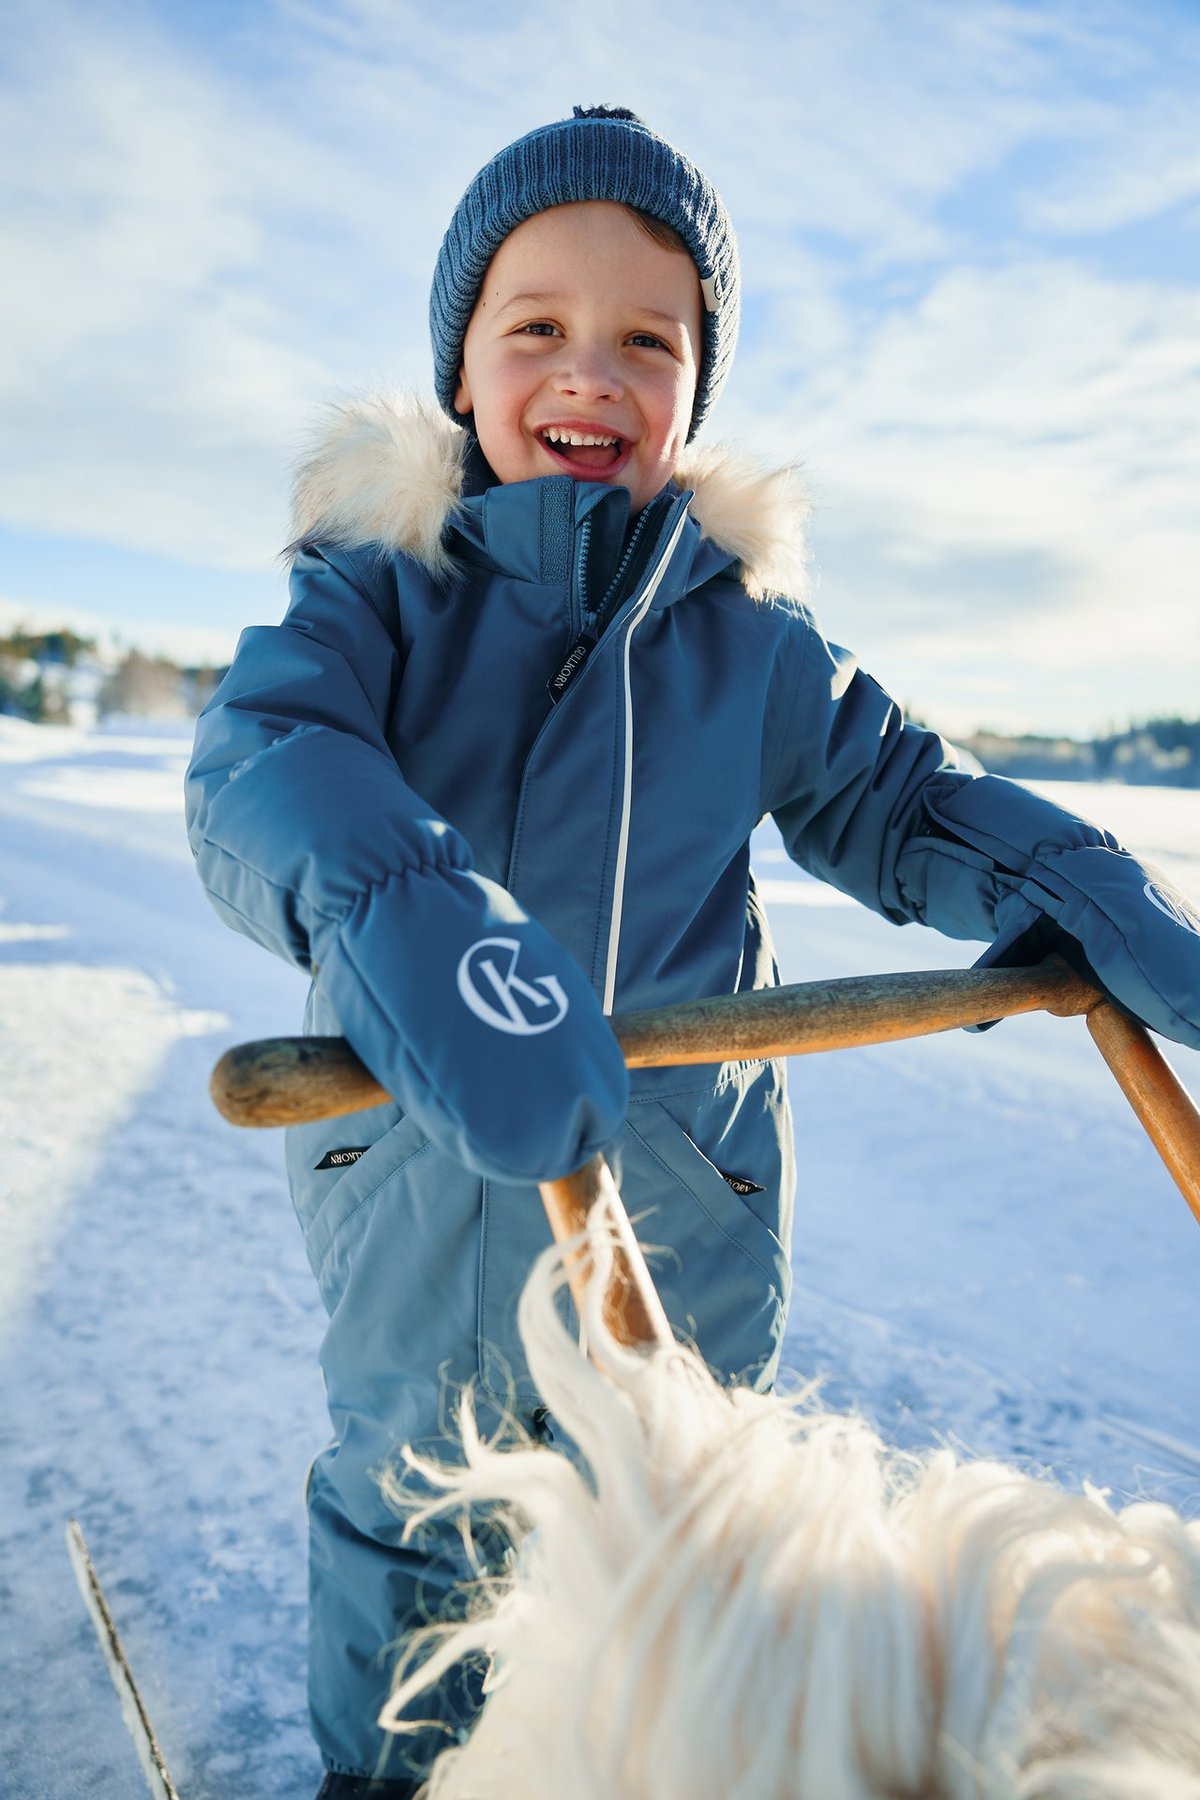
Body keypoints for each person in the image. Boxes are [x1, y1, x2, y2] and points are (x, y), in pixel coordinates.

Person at [185, 106, 1200, 1799]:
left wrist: (1082, 886)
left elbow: (904, 797)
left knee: (680, 1549)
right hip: (428, 1167)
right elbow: (264, 762)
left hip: (685, 1194)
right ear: (463, 370)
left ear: (693, 388)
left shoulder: (742, 637)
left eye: (646, 340)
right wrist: (409, 914)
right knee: (424, 1521)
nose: (591, 370)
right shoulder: (378, 590)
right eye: (538, 328)